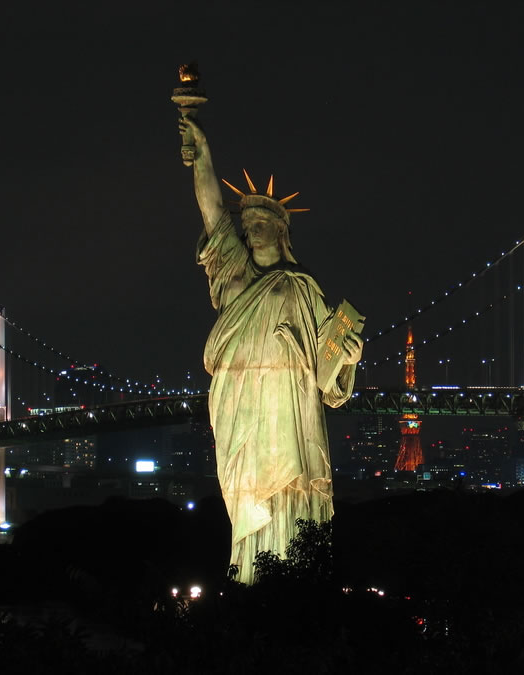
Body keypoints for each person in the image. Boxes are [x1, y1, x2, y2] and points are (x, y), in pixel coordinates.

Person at [179, 116, 363, 584]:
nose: (253, 228)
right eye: (249, 222)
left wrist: (350, 358)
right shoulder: (234, 272)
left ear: (282, 231)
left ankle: (295, 580)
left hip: (289, 400)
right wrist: (201, 153)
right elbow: (211, 210)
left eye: (262, 222)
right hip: (241, 400)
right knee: (248, 492)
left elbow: (330, 363)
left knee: (291, 487)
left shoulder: (303, 287)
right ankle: (249, 580)